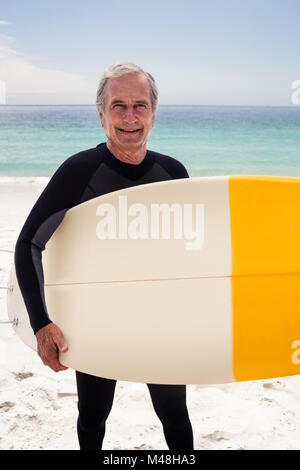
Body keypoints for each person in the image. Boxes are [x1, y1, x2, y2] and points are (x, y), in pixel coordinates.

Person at [14, 61, 194, 451]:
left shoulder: (174, 173)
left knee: (175, 414)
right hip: (97, 320)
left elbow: (192, 256)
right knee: (94, 415)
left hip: (158, 322)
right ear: (101, 114)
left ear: (153, 113)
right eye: (118, 106)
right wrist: (41, 324)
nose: (130, 117)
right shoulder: (79, 172)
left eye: (140, 105)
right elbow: (28, 243)